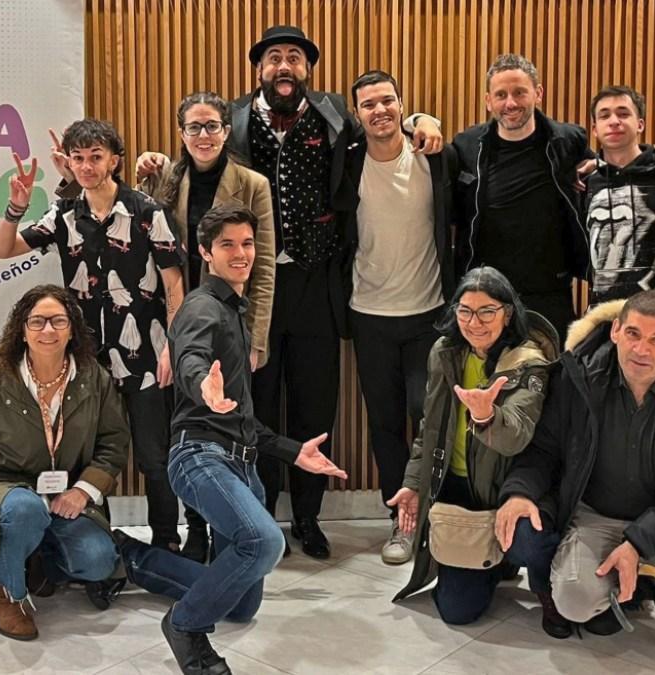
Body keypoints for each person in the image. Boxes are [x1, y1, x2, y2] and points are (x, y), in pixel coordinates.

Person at [139, 27, 443, 559]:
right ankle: (260, 514)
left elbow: (386, 123)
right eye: (274, 58)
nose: (285, 67)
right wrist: (155, 164)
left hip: (315, 287)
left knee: (314, 406)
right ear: (258, 68)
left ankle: (307, 517)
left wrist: (420, 119)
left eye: (295, 59)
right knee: (253, 405)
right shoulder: (230, 120)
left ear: (308, 69)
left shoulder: (333, 116)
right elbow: (196, 159)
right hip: (247, 287)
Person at [497, 291, 655, 664]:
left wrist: (637, 542)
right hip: (596, 515)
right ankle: (622, 589)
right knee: (575, 601)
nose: (641, 350)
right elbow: (545, 451)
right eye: (633, 334)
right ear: (615, 331)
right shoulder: (576, 374)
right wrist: (521, 492)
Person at [162, 204, 347, 675]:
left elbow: (245, 420)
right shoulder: (202, 307)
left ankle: (139, 560)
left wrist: (293, 452)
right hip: (200, 455)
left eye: (247, 243)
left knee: (242, 606)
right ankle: (184, 626)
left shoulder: (236, 313)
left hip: (241, 465)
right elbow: (190, 358)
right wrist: (202, 383)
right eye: (227, 244)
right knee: (264, 543)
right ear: (205, 252)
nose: (241, 253)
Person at [0, 285, 181, 641]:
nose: (47, 330)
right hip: (5, 487)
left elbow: (114, 442)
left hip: (67, 491)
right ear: (22, 330)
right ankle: (7, 591)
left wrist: (84, 491)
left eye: (57, 321)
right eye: (37, 322)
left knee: (97, 562)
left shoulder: (93, 377)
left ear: (71, 329)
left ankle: (36, 560)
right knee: (23, 511)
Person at [0, 118, 187, 555]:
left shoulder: (146, 211)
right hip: (85, 361)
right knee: (88, 460)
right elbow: (2, 250)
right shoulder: (64, 214)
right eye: (78, 158)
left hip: (146, 356)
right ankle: (97, 546)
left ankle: (166, 542)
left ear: (115, 160)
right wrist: (15, 207)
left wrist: (172, 346)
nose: (86, 166)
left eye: (96, 157)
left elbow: (174, 283)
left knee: (155, 456)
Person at [136, 91, 278, 562]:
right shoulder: (168, 181)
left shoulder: (252, 183)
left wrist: (255, 337)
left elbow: (263, 267)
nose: (204, 135)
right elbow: (150, 245)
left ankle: (231, 528)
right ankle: (195, 526)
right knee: (188, 422)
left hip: (231, 318)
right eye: (194, 127)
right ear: (181, 134)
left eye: (213, 126)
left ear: (226, 130)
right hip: (181, 317)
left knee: (227, 419)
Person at [386, 266, 561, 626]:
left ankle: (545, 585)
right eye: (465, 311)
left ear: (508, 313)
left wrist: (484, 416)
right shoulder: (445, 352)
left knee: (528, 542)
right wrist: (413, 483)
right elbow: (429, 428)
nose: (474, 322)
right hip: (459, 490)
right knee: (457, 611)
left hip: (510, 489)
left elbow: (516, 437)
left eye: (487, 311)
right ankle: (493, 565)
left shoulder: (529, 361)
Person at [331, 70, 458, 565]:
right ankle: (400, 523)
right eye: (368, 105)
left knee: (427, 419)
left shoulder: (434, 157)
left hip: (429, 314)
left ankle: (434, 518)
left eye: (388, 101)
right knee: (384, 425)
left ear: (403, 105)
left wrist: (430, 121)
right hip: (369, 316)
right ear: (357, 114)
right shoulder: (347, 162)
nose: (380, 111)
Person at [446, 54, 592, 339]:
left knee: (552, 378)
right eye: (501, 95)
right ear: (489, 101)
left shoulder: (568, 141)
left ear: (537, 93)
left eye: (519, 92)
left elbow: (612, 167)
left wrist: (598, 164)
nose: (510, 103)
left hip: (550, 291)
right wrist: (420, 121)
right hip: (486, 294)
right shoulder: (466, 146)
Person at [583, 85, 655, 303]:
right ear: (595, 129)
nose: (614, 121)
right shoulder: (587, 183)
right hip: (604, 314)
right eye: (605, 115)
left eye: (623, 114)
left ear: (640, 124)